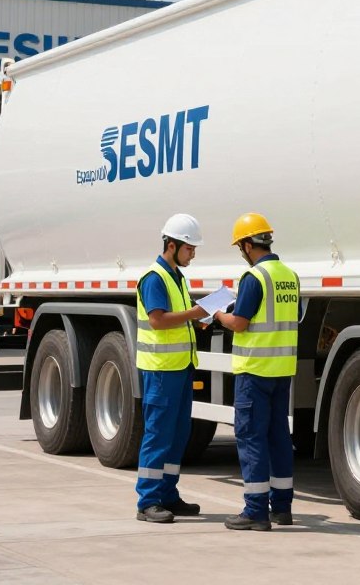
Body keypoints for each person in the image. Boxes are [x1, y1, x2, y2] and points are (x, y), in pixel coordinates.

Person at [215, 212, 300, 531]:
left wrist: (220, 314)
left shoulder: (254, 277)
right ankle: (282, 508)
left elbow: (240, 323)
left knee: (251, 438)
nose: (241, 251)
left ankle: (255, 512)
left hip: (254, 372)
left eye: (241, 246)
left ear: (249, 245)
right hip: (281, 371)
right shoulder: (289, 275)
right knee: (278, 437)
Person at [134, 213, 208, 523]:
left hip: (179, 368)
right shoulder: (155, 278)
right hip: (161, 371)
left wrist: (204, 318)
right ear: (173, 245)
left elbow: (178, 318)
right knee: (158, 434)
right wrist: (194, 313)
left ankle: (168, 494)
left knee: (179, 434)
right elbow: (158, 320)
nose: (193, 254)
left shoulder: (177, 277)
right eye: (190, 248)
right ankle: (148, 501)